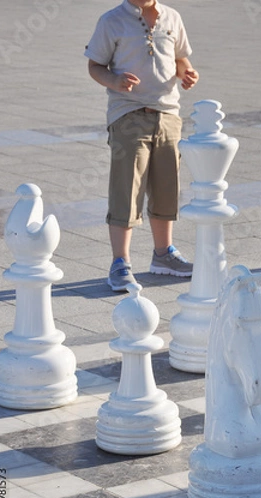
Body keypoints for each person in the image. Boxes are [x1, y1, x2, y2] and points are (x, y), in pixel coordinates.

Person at [85, 0, 199, 292]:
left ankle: (164, 255)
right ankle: (120, 262)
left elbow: (181, 59)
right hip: (128, 114)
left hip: (168, 114)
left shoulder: (172, 17)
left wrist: (186, 73)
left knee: (167, 187)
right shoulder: (112, 20)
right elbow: (95, 65)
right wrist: (115, 80)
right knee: (127, 188)